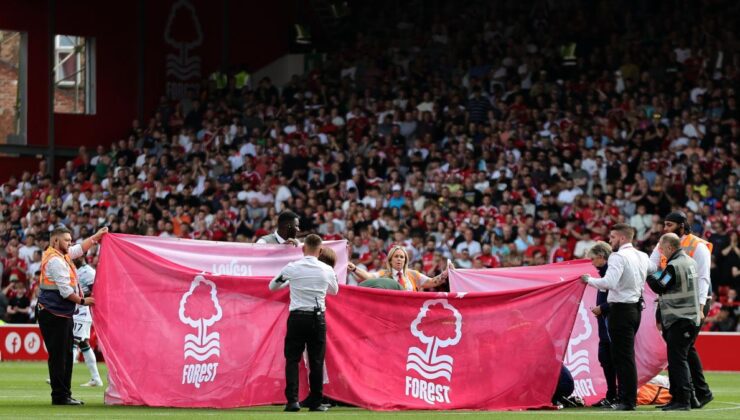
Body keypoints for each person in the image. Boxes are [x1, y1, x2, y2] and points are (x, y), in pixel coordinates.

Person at [580, 223, 650, 411]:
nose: (610, 241)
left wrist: (589, 280)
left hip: (620, 310)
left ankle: (627, 401)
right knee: (626, 357)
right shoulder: (642, 256)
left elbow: (609, 282)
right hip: (635, 309)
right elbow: (650, 274)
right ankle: (626, 398)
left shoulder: (619, 257)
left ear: (622, 238)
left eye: (612, 237)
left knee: (622, 358)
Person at [648, 211, 713, 408]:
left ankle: (685, 396)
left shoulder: (694, 250)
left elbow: (703, 279)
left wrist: (700, 307)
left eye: (669, 225)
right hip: (678, 308)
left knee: (679, 354)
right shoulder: (675, 252)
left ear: (682, 226)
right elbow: (652, 264)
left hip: (687, 309)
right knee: (684, 351)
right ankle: (695, 394)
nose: (665, 228)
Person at [38, 226, 107, 405]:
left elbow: (78, 249)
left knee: (66, 355)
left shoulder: (60, 255)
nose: (70, 243)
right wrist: (84, 302)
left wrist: (96, 237)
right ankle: (60, 396)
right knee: (60, 357)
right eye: (67, 240)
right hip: (54, 313)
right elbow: (65, 291)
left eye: (70, 240)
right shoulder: (55, 261)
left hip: (59, 312)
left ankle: (64, 394)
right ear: (55, 241)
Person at [268, 234, 338, 412]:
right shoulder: (326, 269)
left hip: (297, 317)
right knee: (316, 360)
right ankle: (315, 402)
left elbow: (273, 286)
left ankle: (292, 401)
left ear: (302, 248)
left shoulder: (292, 268)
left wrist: (290, 282)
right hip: (317, 317)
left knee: (292, 359)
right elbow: (334, 291)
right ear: (320, 250)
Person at [586, 241, 617, 408]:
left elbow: (622, 298)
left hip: (613, 324)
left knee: (616, 361)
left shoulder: (612, 273)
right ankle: (611, 395)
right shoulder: (604, 274)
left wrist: (602, 308)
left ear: (601, 256)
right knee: (605, 359)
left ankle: (620, 395)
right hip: (604, 326)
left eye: (593, 259)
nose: (591, 262)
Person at [348, 245, 448, 291]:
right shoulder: (384, 273)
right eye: (396, 256)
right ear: (390, 260)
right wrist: (354, 269)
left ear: (405, 260)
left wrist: (446, 273)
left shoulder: (413, 274)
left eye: (402, 257)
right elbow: (368, 276)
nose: (399, 259)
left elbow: (432, 282)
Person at [72, 257, 103, 387]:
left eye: (76, 256)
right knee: (83, 344)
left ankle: (63, 376)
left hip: (83, 311)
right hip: (77, 310)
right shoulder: (77, 270)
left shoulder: (89, 272)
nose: (73, 258)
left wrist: (82, 297)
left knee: (72, 341)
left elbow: (97, 291)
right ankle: (96, 378)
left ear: (82, 257)